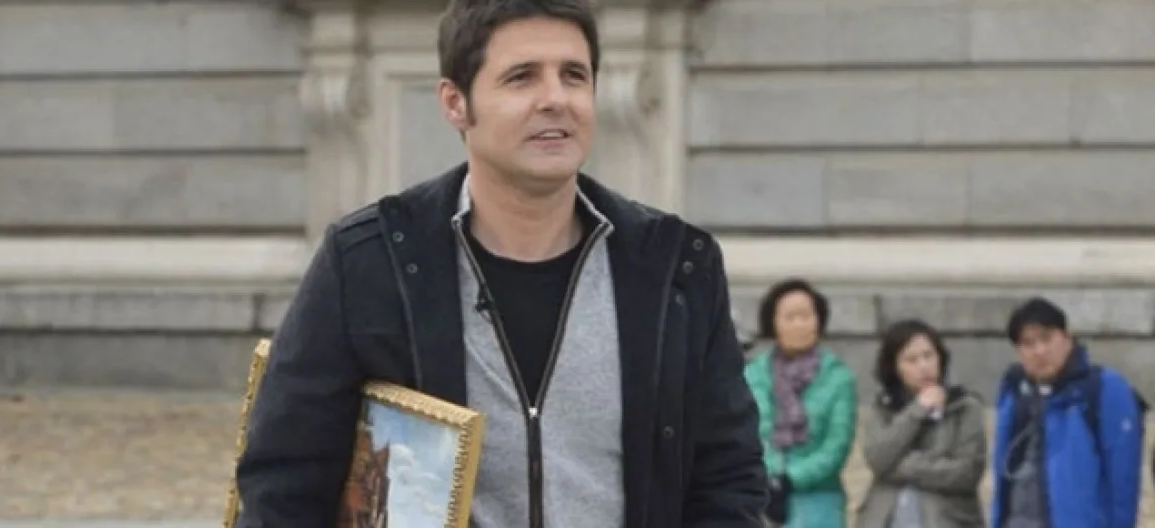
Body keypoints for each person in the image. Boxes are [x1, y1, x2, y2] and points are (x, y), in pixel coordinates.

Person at [233, 0, 769, 526]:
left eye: (574, 75)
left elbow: (728, 477)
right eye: (522, 77)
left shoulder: (676, 267)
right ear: (455, 103)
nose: (555, 99)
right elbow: (284, 480)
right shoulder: (367, 262)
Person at [990, 297, 1147, 528]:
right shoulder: (1014, 392)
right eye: (1028, 344)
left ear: (1066, 338)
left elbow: (1123, 484)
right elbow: (1001, 479)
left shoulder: (1104, 389)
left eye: (1046, 338)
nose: (1040, 351)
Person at [743, 278, 857, 527]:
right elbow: (746, 432)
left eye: (806, 316)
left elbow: (836, 445)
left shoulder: (839, 377)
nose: (799, 324)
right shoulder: (754, 374)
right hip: (760, 495)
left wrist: (791, 479)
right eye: (790, 317)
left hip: (820, 500)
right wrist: (771, 476)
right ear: (773, 322)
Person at [858, 319, 987, 528]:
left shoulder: (964, 407)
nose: (924, 366)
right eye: (911, 360)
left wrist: (898, 467)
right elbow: (877, 458)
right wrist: (917, 410)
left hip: (947, 520)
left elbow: (966, 472)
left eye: (929, 355)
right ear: (895, 367)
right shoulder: (882, 408)